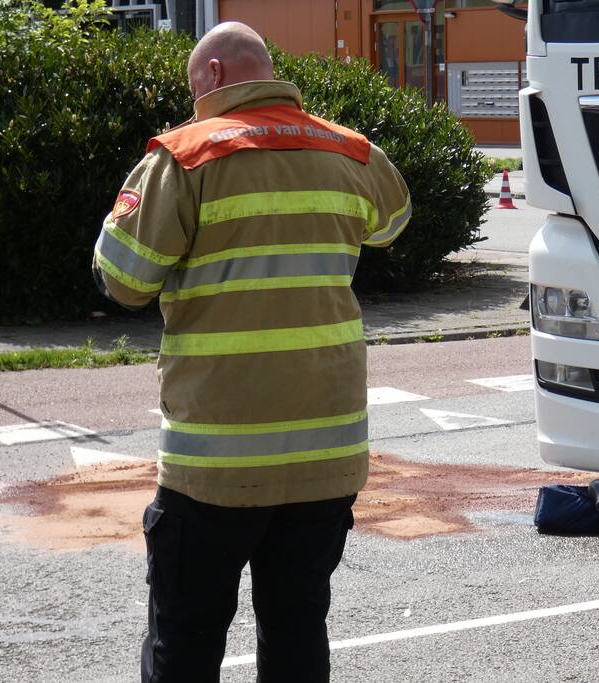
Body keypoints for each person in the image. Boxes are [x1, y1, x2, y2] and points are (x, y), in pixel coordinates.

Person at [92, 22, 411, 682]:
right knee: (297, 630)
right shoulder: (346, 149)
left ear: (212, 76)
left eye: (192, 88)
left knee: (187, 637)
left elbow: (123, 279)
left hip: (216, 458)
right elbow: (393, 220)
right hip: (325, 455)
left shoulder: (186, 156)